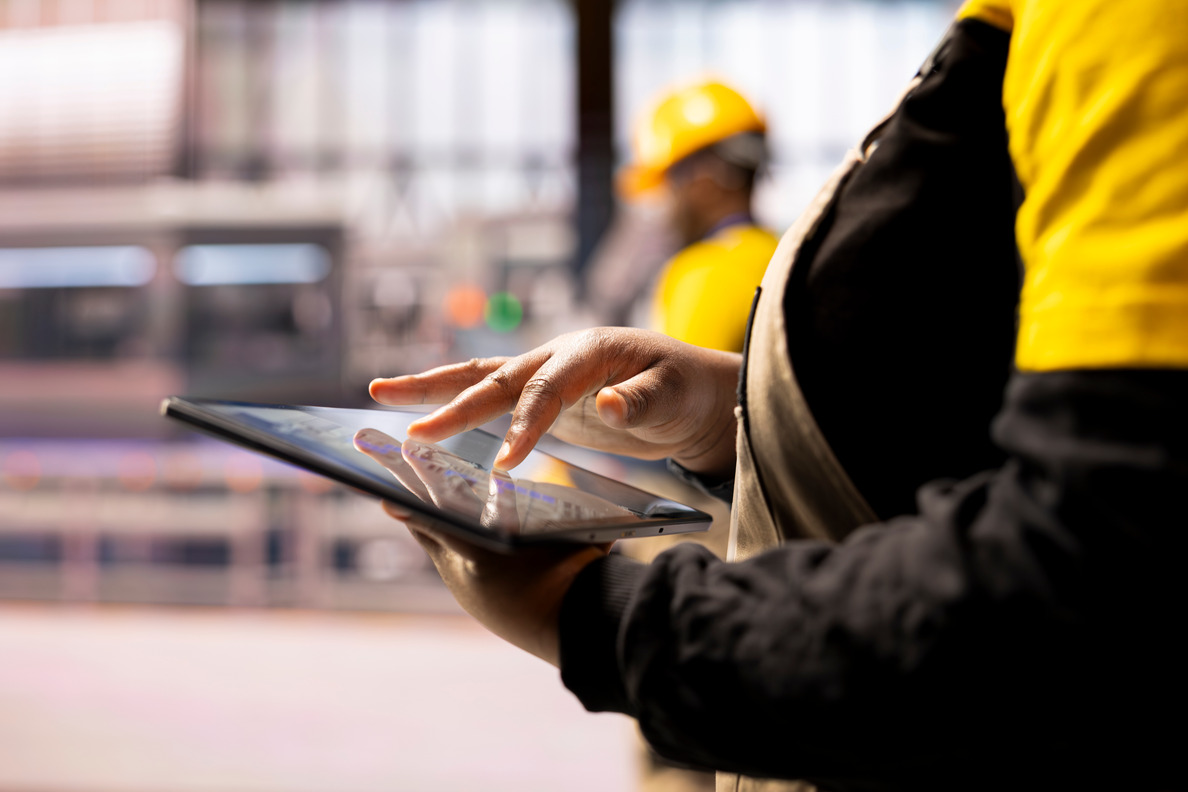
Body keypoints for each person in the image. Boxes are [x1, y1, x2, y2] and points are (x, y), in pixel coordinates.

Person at [367, 0, 1188, 789]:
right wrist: (737, 415)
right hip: (807, 602)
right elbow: (966, 413)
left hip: (766, 619)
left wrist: (590, 613)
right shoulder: (787, 238)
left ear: (694, 180)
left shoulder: (1123, 30)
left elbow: (1089, 584)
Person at [619, 79, 779, 353]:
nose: (665, 204)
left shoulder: (702, 274)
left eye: (669, 185)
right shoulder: (783, 255)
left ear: (704, 177)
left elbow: (676, 391)